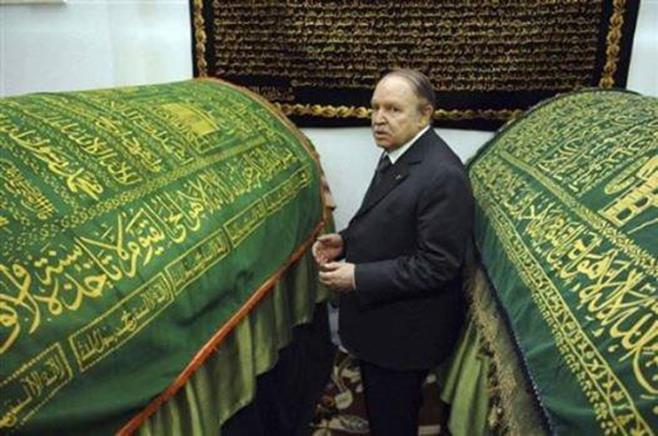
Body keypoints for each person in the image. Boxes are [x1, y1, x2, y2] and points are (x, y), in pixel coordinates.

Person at [312, 69, 474, 436]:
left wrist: (357, 277)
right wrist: (345, 241)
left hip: (403, 337)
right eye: (375, 108)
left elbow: (437, 265)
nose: (379, 119)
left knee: (393, 420)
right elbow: (388, 221)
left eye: (393, 109)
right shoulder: (401, 152)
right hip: (383, 323)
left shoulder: (443, 175)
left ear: (425, 114)